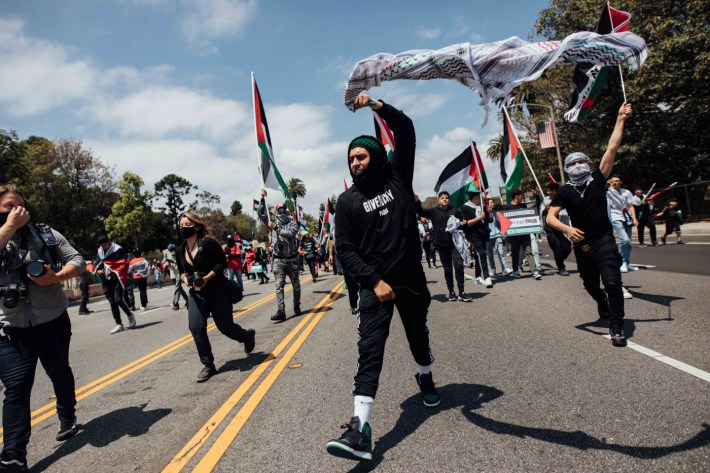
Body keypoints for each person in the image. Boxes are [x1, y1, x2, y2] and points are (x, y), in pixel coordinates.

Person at [325, 95, 439, 462]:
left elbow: (405, 131)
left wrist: (376, 105)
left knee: (417, 336)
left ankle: (424, 374)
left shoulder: (397, 177)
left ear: (375, 155)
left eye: (361, 156)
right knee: (369, 352)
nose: (356, 162)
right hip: (375, 286)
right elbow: (346, 250)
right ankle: (359, 428)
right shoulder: (347, 201)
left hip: (410, 279)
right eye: (351, 159)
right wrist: (374, 282)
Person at [0, 184, 84, 471]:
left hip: (52, 322)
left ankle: (67, 415)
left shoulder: (45, 234)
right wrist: (9, 227)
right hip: (10, 329)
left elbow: (77, 260)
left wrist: (56, 277)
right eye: (9, 206)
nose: (17, 211)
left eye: (21, 205)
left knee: (59, 372)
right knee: (17, 389)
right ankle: (13, 455)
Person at [547, 102, 633, 347]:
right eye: (572, 163)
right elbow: (550, 218)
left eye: (581, 161)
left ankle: (617, 327)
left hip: (604, 238)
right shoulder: (563, 191)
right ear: (566, 168)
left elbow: (613, 146)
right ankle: (601, 303)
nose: (578, 166)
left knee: (613, 281)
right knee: (590, 283)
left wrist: (620, 118)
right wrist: (567, 229)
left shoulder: (598, 178)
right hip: (582, 243)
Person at [176, 212, 255, 383]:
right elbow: (182, 271)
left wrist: (207, 277)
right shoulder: (180, 248)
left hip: (216, 289)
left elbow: (222, 263)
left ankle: (245, 336)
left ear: (196, 226)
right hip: (196, 294)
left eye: (186, 225)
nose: (183, 229)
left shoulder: (208, 243)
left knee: (225, 326)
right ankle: (208, 365)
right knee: (195, 326)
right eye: (180, 226)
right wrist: (186, 280)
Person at [416, 191, 472, 301]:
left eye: (447, 197)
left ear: (449, 200)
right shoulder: (433, 211)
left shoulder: (455, 210)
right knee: (447, 269)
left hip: (455, 244)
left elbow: (463, 221)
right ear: (438, 200)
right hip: (441, 245)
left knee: (459, 266)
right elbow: (420, 211)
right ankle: (451, 291)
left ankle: (462, 292)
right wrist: (417, 201)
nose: (445, 199)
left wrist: (462, 224)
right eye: (442, 198)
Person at [258, 191, 301, 321]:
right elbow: (261, 213)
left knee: (296, 285)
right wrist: (262, 199)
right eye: (279, 210)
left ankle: (296, 306)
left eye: (283, 210)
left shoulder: (292, 223)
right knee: (279, 287)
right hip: (278, 261)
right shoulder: (272, 222)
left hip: (292, 260)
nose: (281, 212)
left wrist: (276, 227)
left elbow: (290, 234)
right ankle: (281, 311)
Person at [95, 236, 136, 334]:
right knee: (112, 302)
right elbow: (98, 264)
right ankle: (119, 324)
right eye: (102, 245)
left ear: (109, 242)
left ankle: (130, 315)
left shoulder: (118, 249)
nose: (104, 247)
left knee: (118, 299)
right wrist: (98, 271)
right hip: (106, 279)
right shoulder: (100, 252)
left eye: (105, 244)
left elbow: (124, 263)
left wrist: (116, 271)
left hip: (117, 277)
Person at [459, 191, 493, 288]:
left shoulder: (482, 206)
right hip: (473, 235)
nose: (482, 197)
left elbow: (489, 220)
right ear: (475, 196)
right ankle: (486, 277)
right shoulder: (464, 208)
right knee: (481, 253)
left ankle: (478, 276)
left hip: (484, 234)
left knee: (479, 254)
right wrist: (479, 218)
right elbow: (466, 224)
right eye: (480, 195)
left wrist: (489, 213)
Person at [505, 189, 541, 280]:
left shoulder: (523, 206)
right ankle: (515, 270)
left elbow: (533, 211)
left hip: (525, 234)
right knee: (515, 253)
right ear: (516, 196)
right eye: (521, 196)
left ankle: (534, 271)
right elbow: (504, 222)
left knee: (528, 251)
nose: (523, 198)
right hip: (514, 236)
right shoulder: (507, 207)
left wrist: (537, 196)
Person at [607, 176, 638, 272]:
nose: (615, 182)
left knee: (628, 242)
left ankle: (626, 263)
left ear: (621, 182)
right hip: (615, 216)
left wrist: (634, 218)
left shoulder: (626, 192)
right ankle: (621, 262)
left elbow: (630, 206)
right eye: (613, 181)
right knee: (624, 240)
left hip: (627, 217)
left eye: (617, 181)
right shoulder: (607, 191)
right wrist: (609, 186)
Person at [541, 183, 572, 275]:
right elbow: (541, 214)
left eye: (549, 190)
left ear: (554, 191)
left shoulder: (563, 199)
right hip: (550, 227)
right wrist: (546, 210)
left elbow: (566, 212)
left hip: (560, 226)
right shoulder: (546, 200)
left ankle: (559, 259)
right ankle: (561, 267)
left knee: (567, 247)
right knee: (557, 246)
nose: (547, 192)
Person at [486, 199, 511, 276]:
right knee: (490, 255)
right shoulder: (483, 214)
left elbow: (502, 223)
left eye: (493, 202)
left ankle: (504, 269)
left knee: (501, 253)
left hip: (497, 235)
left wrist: (502, 232)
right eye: (491, 202)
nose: (493, 204)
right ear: (487, 204)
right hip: (488, 237)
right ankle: (493, 269)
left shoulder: (496, 213)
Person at [166, 243, 188, 310]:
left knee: (177, 287)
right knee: (179, 289)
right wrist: (168, 263)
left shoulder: (179, 254)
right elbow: (169, 264)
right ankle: (188, 300)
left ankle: (175, 303)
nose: (173, 252)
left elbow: (180, 263)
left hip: (179, 273)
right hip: (173, 274)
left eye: (173, 250)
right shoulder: (169, 256)